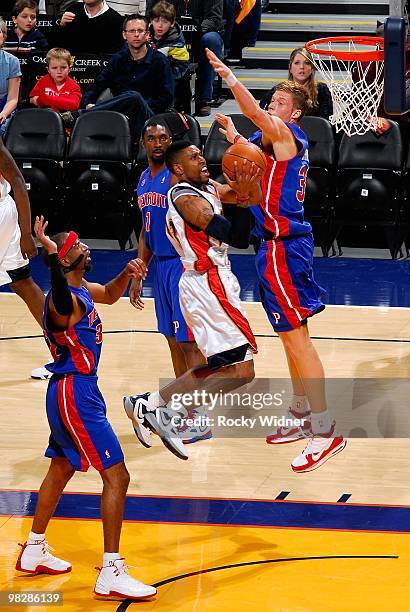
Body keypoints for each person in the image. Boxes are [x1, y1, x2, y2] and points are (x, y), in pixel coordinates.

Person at [207, 48, 346, 473]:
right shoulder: (268, 152)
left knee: (298, 338)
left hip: (286, 247)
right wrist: (220, 160)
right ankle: (302, 412)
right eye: (271, 102)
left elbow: (260, 124)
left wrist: (231, 78)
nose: (272, 108)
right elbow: (245, 186)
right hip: (269, 247)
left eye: (281, 104)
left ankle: (325, 431)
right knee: (288, 335)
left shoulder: (288, 138)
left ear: (297, 114)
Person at [15, 216, 157, 602]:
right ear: (63, 260)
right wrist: (48, 258)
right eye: (77, 246)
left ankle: (33, 548)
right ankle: (111, 571)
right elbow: (60, 297)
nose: (85, 247)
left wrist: (128, 273)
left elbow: (109, 294)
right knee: (117, 477)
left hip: (71, 392)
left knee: (61, 467)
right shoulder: (65, 300)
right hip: (75, 394)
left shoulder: (84, 291)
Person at [124, 140, 262, 460]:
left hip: (210, 282)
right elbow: (237, 234)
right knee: (242, 372)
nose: (203, 159)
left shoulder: (208, 187)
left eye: (201, 154)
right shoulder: (184, 197)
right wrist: (243, 194)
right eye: (194, 157)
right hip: (207, 284)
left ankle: (150, 404)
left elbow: (249, 200)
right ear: (177, 169)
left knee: (224, 367)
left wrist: (249, 183)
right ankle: (171, 413)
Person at [126, 120, 209, 446]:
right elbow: (146, 229)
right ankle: (181, 406)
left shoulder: (177, 177)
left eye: (163, 138)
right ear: (143, 143)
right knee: (173, 340)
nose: (157, 143)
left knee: (190, 343)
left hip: (182, 265)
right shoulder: (144, 179)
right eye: (151, 138)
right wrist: (139, 271)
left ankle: (199, 417)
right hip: (159, 267)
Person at [80, 14, 174, 145]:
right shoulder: (117, 60)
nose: (136, 35)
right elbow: (96, 86)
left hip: (150, 118)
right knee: (131, 98)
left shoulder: (160, 61)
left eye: (140, 31)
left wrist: (140, 105)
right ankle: (86, 112)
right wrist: (87, 102)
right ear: (124, 35)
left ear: (147, 35)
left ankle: (80, 115)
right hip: (119, 116)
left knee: (134, 98)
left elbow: (166, 98)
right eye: (132, 31)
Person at [146, 0, 224, 116]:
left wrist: (192, 28)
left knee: (211, 40)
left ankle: (204, 99)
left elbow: (214, 19)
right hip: (168, 29)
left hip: (200, 32)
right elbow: (151, 14)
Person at [260, 47, 333, 120]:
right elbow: (263, 112)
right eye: (297, 63)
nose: (301, 67)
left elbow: (326, 120)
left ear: (312, 68)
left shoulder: (321, 89)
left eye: (307, 63)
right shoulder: (278, 90)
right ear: (290, 68)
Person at [29, 47, 82, 118]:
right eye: (54, 68)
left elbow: (73, 105)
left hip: (64, 124)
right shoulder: (43, 81)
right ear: (48, 70)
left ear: (69, 69)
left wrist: (45, 99)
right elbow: (32, 99)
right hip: (42, 119)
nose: (59, 71)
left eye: (63, 67)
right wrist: (61, 102)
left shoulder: (74, 86)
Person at [58, 0, 124, 54]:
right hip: (72, 66)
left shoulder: (116, 20)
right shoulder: (73, 10)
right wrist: (61, 25)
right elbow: (59, 47)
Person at [149, 1, 189, 81]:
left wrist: (164, 74)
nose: (160, 25)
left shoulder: (177, 43)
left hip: (168, 81)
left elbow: (182, 67)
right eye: (156, 21)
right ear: (151, 21)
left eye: (165, 22)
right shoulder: (144, 35)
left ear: (172, 23)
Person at [0, 17, 21, 137]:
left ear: (3, 36)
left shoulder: (12, 61)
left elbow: (13, 99)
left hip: (4, 107)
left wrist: (3, 114)